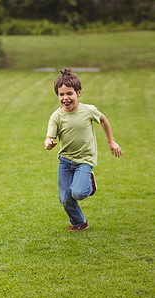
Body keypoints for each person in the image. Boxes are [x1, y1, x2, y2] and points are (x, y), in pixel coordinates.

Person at [44, 67, 122, 231]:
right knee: (65, 198)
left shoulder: (88, 110)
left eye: (69, 93)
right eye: (61, 94)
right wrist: (49, 144)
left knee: (78, 193)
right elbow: (49, 138)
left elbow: (103, 120)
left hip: (84, 161)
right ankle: (80, 222)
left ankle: (89, 182)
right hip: (65, 161)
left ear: (78, 93)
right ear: (57, 95)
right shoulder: (56, 116)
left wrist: (111, 142)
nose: (66, 98)